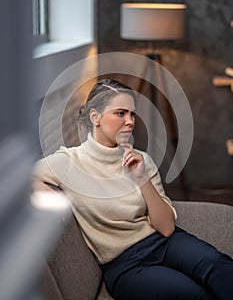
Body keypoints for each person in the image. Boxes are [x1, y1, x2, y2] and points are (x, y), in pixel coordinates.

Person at [33, 79, 233, 300]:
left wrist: (141, 178)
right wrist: (39, 186)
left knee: (221, 267)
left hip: (164, 242)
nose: (130, 121)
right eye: (120, 113)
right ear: (95, 117)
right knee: (195, 295)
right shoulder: (69, 162)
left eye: (132, 114)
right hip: (125, 265)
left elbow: (166, 228)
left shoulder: (142, 160)